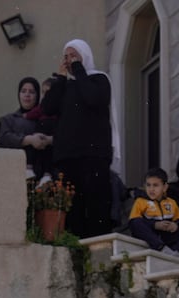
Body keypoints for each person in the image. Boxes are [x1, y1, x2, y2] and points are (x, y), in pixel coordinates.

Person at [41, 39, 115, 238]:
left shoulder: (98, 79)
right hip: (68, 157)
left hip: (94, 155)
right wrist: (61, 78)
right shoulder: (64, 85)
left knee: (96, 206)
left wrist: (78, 70)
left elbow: (93, 98)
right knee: (73, 210)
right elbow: (47, 108)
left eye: (74, 56)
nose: (69, 60)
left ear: (85, 57)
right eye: (66, 56)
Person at [0, 76, 54, 178]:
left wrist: (48, 140)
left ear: (37, 96)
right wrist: (28, 140)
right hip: (17, 172)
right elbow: (4, 138)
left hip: (46, 174)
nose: (27, 95)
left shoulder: (47, 118)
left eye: (31, 92)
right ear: (19, 94)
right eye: (23, 91)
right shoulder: (10, 119)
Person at [128, 169, 179, 255]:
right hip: (151, 236)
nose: (151, 189)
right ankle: (161, 248)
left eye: (155, 185)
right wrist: (155, 225)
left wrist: (175, 226)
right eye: (148, 185)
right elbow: (133, 223)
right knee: (136, 222)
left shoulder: (171, 202)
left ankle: (176, 253)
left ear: (164, 187)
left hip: (167, 236)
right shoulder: (140, 201)